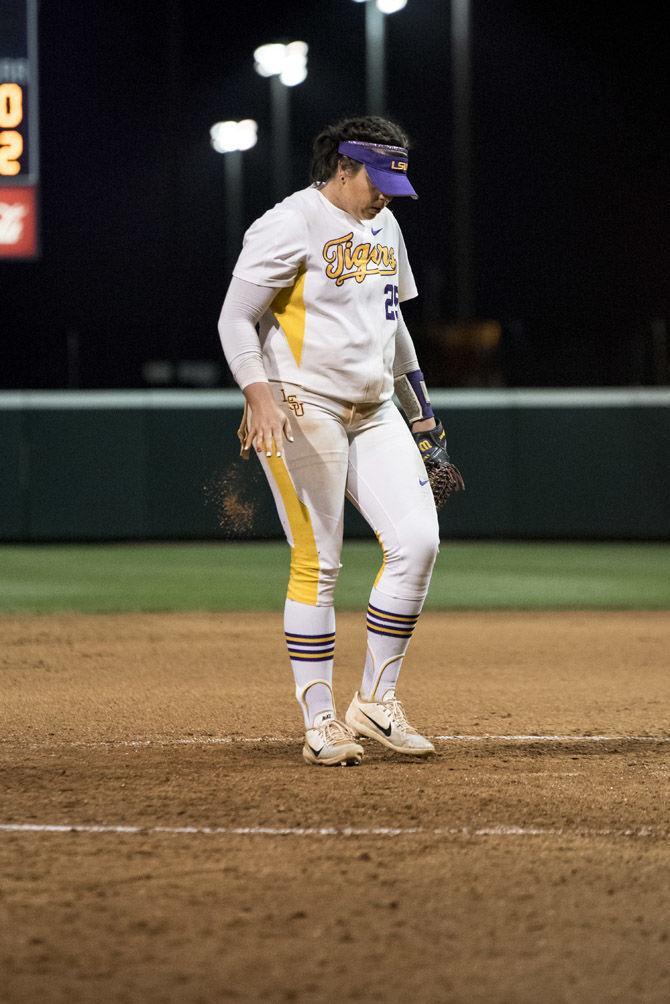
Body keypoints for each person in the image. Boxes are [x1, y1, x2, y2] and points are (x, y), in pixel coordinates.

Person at [218, 115, 462, 767]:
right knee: (319, 559)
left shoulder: (386, 225)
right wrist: (257, 391)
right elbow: (235, 317)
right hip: (302, 405)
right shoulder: (289, 223)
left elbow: (395, 326)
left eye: (392, 183)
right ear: (343, 168)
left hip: (376, 409)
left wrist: (424, 417)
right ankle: (320, 719)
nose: (384, 194)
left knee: (417, 543)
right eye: (375, 180)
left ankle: (374, 704)